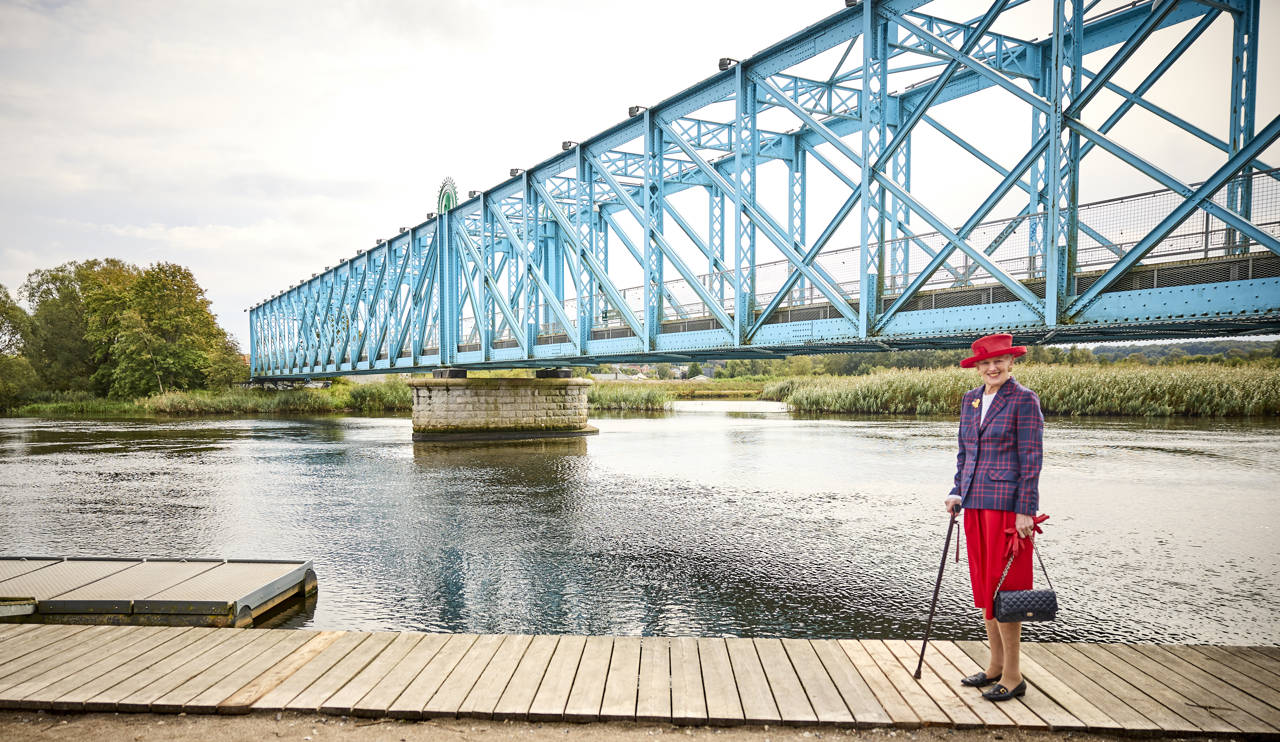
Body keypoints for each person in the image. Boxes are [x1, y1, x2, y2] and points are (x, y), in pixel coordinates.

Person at [944, 333, 1043, 702]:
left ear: (1011, 363)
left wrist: (1025, 511)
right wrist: (957, 490)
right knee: (986, 586)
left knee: (1008, 591)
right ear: (978, 367)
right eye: (986, 363)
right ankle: (995, 666)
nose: (992, 368)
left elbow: (1031, 460)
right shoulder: (971, 400)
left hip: (1007, 509)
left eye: (999, 361)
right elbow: (964, 453)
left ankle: (1015, 676)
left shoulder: (1024, 400)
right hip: (975, 504)